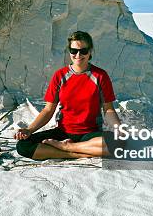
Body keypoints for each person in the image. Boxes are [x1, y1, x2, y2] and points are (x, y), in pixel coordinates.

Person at [15, 31, 122, 160]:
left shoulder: (100, 76)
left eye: (83, 51)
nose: (78, 55)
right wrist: (29, 130)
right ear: (69, 51)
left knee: (118, 143)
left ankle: (68, 148)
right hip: (63, 132)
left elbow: (108, 109)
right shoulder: (60, 76)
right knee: (23, 146)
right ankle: (76, 153)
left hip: (90, 134)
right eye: (74, 51)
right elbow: (48, 110)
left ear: (90, 51)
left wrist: (118, 128)